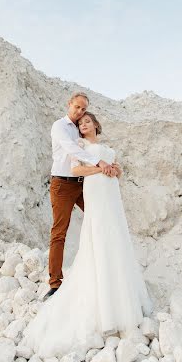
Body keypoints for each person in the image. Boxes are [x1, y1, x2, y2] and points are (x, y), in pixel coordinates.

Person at [22, 110, 154, 359]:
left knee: (115, 235)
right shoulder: (79, 146)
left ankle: (121, 290)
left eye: (87, 121)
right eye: (80, 122)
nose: (83, 124)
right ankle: (81, 291)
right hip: (94, 191)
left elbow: (117, 171)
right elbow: (77, 171)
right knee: (97, 235)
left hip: (110, 195)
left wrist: (115, 170)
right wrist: (100, 169)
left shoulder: (106, 148)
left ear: (95, 124)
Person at [43, 91, 118, 301]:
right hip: (63, 185)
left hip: (85, 185)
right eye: (77, 107)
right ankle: (55, 284)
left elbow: (94, 146)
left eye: (84, 109)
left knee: (102, 220)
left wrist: (111, 165)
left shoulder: (80, 128)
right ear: (70, 104)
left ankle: (106, 273)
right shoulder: (60, 127)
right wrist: (99, 163)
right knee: (59, 232)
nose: (80, 112)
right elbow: (71, 150)